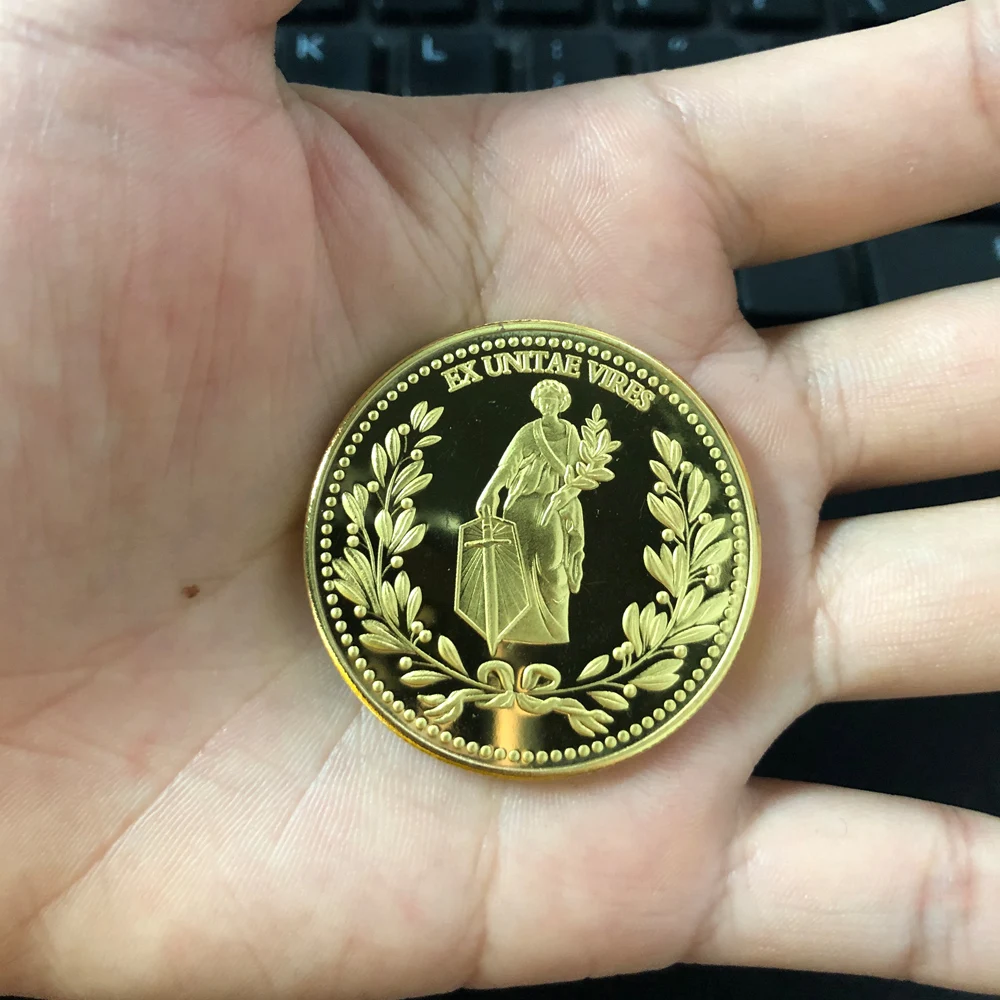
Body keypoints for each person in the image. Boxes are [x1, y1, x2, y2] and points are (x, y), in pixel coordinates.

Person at [0, 0, 997, 997]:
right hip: (518, 519)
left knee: (562, 587)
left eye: (558, 398)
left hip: (559, 520)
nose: (553, 402)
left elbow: (571, 476)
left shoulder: (566, 430)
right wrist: (509, 500)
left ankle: (537, 648)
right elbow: (500, 478)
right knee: (524, 586)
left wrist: (574, 481)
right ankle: (513, 647)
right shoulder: (531, 430)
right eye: (551, 399)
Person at [474, 380, 586, 646]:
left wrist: (564, 495)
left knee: (552, 565)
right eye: (543, 401)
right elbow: (507, 466)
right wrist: (490, 492)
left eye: (552, 400)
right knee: (517, 566)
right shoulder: (528, 432)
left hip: (553, 505)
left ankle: (556, 632)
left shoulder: (571, 434)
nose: (547, 405)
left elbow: (579, 476)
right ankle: (516, 629)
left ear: (561, 403)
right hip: (521, 503)